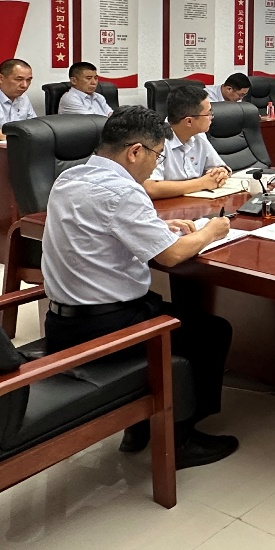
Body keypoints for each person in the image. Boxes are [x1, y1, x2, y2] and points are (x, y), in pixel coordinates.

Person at [40, 106, 238, 469]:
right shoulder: (123, 191)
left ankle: (140, 429)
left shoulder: (69, 177)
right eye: (157, 156)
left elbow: (101, 232)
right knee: (211, 332)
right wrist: (212, 230)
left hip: (62, 323)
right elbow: (171, 256)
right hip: (106, 328)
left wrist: (163, 229)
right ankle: (181, 440)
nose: (155, 166)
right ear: (135, 151)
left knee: (172, 312)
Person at [143, 85, 230, 199]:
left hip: (196, 202)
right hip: (168, 206)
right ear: (189, 121)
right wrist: (202, 183)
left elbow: (219, 166)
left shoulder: (199, 136)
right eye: (208, 113)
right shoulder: (156, 140)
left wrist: (221, 172)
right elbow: (150, 188)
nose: (211, 117)